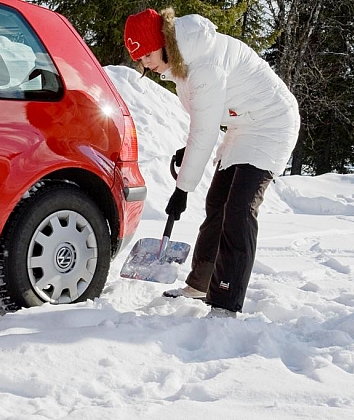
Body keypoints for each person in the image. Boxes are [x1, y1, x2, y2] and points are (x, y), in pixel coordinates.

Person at [124, 8, 300, 318]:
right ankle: (201, 284)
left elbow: (205, 132)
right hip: (243, 125)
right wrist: (187, 149)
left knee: (239, 209)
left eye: (146, 54)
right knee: (217, 202)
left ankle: (225, 301)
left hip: (272, 124)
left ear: (162, 42)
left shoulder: (204, 64)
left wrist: (181, 190)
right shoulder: (184, 60)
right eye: (139, 59)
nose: (145, 63)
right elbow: (203, 122)